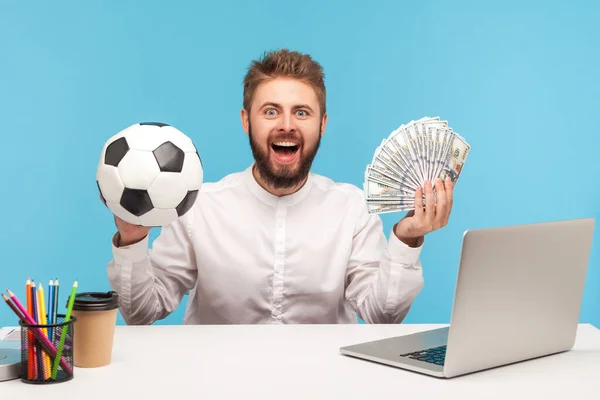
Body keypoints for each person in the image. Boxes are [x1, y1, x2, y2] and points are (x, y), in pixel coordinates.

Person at [106, 48, 454, 325]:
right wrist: (133, 239)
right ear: (246, 120)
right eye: (271, 111)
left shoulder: (352, 209)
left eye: (301, 113)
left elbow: (382, 315)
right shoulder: (200, 207)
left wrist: (407, 238)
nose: (286, 125)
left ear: (322, 125)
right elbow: (141, 313)